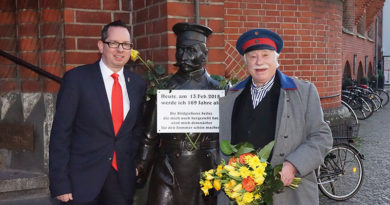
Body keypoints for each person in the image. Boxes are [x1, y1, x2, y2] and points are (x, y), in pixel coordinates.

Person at [218, 28, 333, 204]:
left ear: (276, 58)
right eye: (252, 57)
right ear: (245, 61)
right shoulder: (230, 97)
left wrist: (293, 165)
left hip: (288, 196)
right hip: (239, 196)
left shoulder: (304, 92)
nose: (259, 62)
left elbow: (321, 137)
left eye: (265, 55)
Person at [49, 20, 146, 205]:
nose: (120, 49)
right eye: (114, 43)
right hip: (82, 181)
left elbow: (136, 130)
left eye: (126, 45)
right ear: (101, 46)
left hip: (121, 180)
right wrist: (60, 182)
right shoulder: (77, 79)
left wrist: (134, 164)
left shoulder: (138, 84)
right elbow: (61, 133)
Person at [136, 22, 220, 205]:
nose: (184, 56)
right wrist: (140, 166)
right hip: (169, 171)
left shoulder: (219, 89)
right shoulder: (164, 88)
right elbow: (149, 135)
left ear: (204, 54)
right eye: (180, 50)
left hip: (205, 172)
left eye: (191, 50)